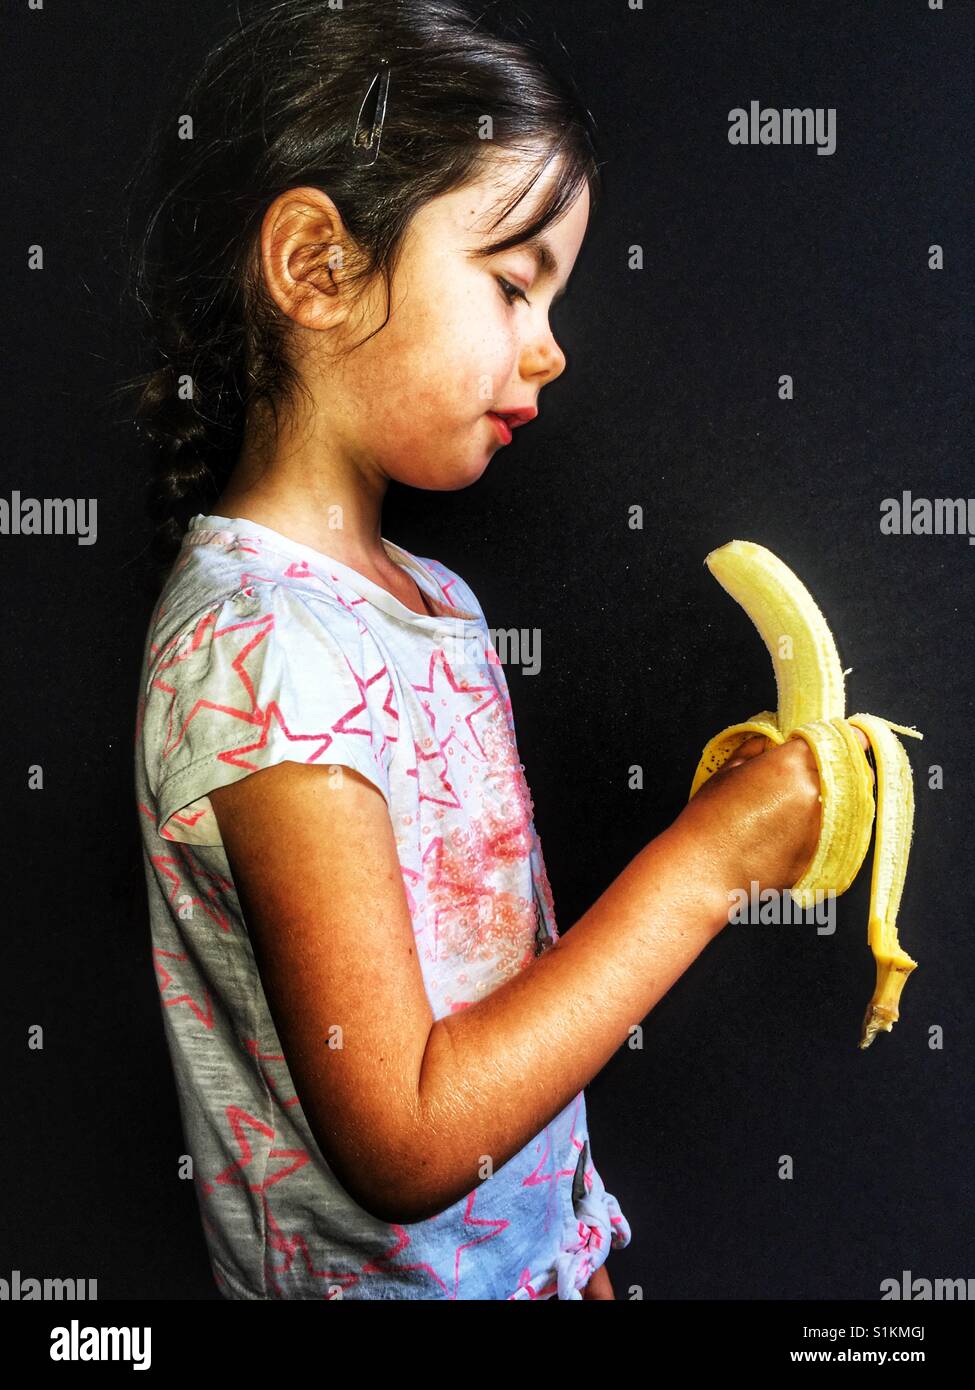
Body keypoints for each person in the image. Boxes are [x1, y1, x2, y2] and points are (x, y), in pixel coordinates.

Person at [127, 0, 868, 1300]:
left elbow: (504, 994)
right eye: (514, 281)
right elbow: (409, 1135)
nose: (551, 346)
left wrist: (565, 1232)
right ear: (315, 265)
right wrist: (705, 866)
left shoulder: (441, 603)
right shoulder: (254, 656)